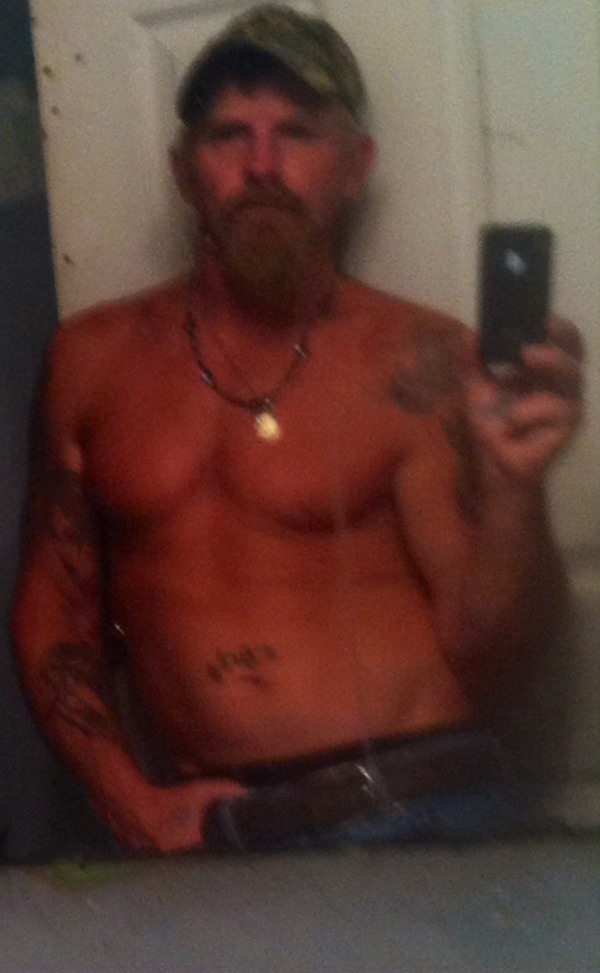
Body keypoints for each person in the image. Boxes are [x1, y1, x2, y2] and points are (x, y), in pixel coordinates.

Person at [11, 4, 583, 855]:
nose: (263, 165)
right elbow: (54, 615)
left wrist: (514, 493)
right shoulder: (91, 361)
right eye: (228, 136)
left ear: (356, 167)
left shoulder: (420, 361)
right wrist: (123, 794)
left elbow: (498, 661)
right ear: (184, 171)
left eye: (299, 133)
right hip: (215, 840)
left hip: (421, 811)